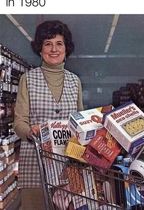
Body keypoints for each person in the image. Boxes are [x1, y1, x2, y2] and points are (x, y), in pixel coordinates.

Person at [13, 20, 83, 210]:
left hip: (66, 165)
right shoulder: (27, 79)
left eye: (59, 43)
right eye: (48, 43)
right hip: (35, 161)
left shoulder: (74, 81)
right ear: (40, 48)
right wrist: (30, 131)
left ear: (66, 48)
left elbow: (80, 123)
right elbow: (19, 122)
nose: (54, 49)